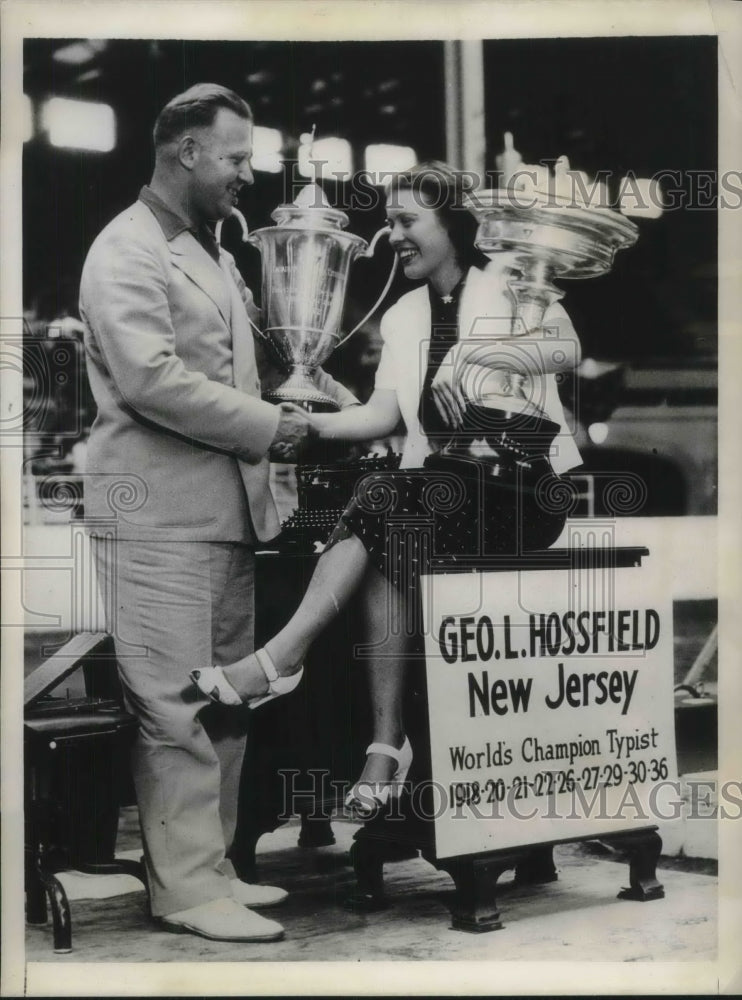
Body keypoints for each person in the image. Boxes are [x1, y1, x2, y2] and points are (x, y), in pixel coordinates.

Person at [191, 161, 582, 815]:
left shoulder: (510, 281)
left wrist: (490, 356)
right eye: (389, 222)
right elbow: (380, 416)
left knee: (387, 501)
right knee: (387, 532)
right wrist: (299, 424)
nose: (394, 236)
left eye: (408, 222)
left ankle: (285, 658)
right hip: (441, 492)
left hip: (526, 489)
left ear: (452, 225)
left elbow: (566, 349)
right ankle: (384, 745)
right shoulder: (403, 315)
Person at [79, 83, 357, 942]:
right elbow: (152, 382)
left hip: (228, 517)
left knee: (227, 702)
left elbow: (228, 374)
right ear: (186, 151)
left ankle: (215, 868)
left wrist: (309, 402)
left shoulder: (209, 250)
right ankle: (184, 889)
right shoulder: (124, 250)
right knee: (173, 709)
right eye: (236, 156)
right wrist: (282, 428)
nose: (248, 172)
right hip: (157, 519)